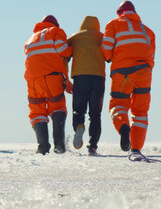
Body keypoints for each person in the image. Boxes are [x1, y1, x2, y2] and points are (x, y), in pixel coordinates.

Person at [101, 1, 155, 158]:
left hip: (123, 73)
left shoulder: (114, 24)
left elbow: (106, 49)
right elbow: (152, 54)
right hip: (144, 73)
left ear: (120, 13)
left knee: (118, 106)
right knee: (140, 112)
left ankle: (123, 128)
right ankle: (136, 148)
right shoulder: (148, 31)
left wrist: (109, 58)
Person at [24, 15, 72, 154]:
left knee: (37, 112)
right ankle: (59, 145)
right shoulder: (56, 31)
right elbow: (64, 50)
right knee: (57, 108)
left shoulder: (30, 38)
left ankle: (43, 146)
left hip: (32, 80)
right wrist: (70, 50)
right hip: (52, 77)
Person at [67, 16, 106, 155]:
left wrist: (65, 79)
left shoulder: (75, 37)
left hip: (80, 77)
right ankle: (93, 145)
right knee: (95, 114)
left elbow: (65, 55)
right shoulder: (102, 37)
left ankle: (78, 126)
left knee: (78, 109)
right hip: (98, 78)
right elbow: (109, 56)